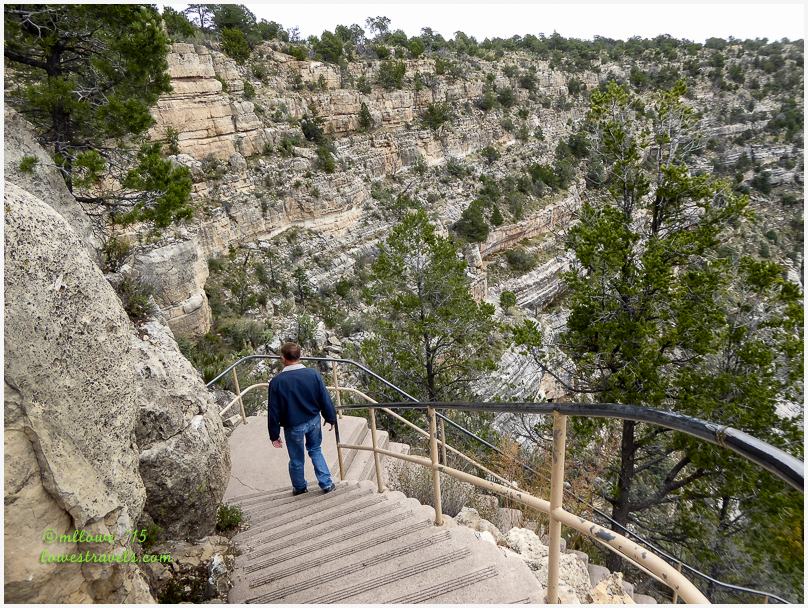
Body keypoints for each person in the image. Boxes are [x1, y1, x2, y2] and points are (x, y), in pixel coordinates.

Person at [268, 342, 337, 495]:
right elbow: (324, 398)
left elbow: (273, 410)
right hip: (313, 420)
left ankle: (300, 488)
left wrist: (274, 435)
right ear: (300, 356)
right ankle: (326, 483)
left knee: (296, 458)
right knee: (315, 450)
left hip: (293, 426)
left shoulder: (277, 382)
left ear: (283, 358)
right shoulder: (313, 374)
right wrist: (330, 417)